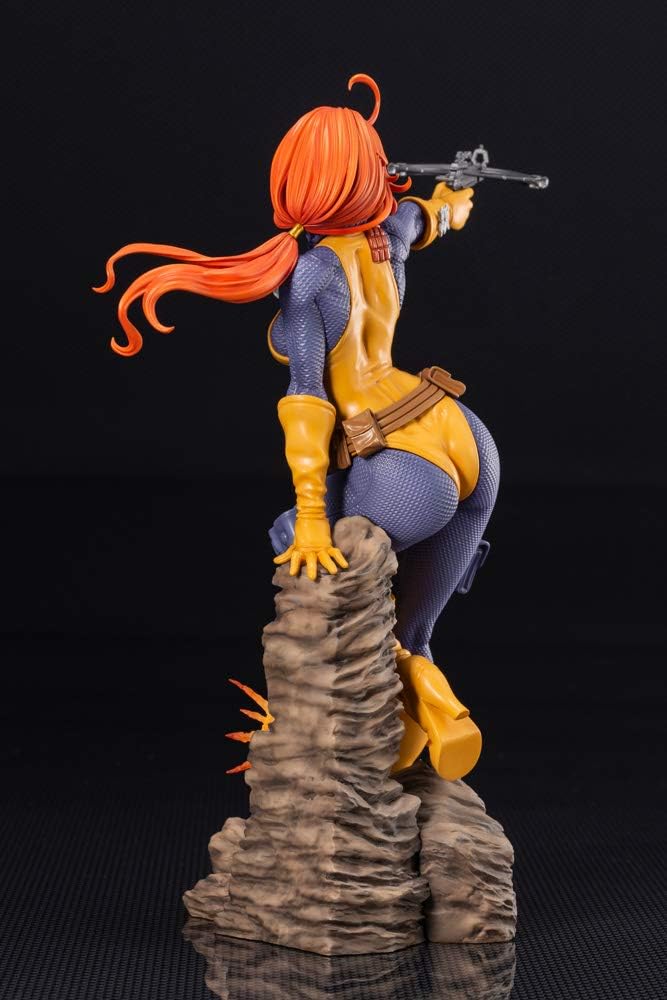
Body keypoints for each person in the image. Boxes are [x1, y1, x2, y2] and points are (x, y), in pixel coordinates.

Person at [94, 74, 499, 782]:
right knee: (413, 624)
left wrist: (312, 517)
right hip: (463, 435)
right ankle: (415, 712)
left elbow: (307, 401)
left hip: (394, 454)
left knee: (296, 543)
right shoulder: (390, 237)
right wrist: (458, 192)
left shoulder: (312, 274)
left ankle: (420, 692)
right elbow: (436, 215)